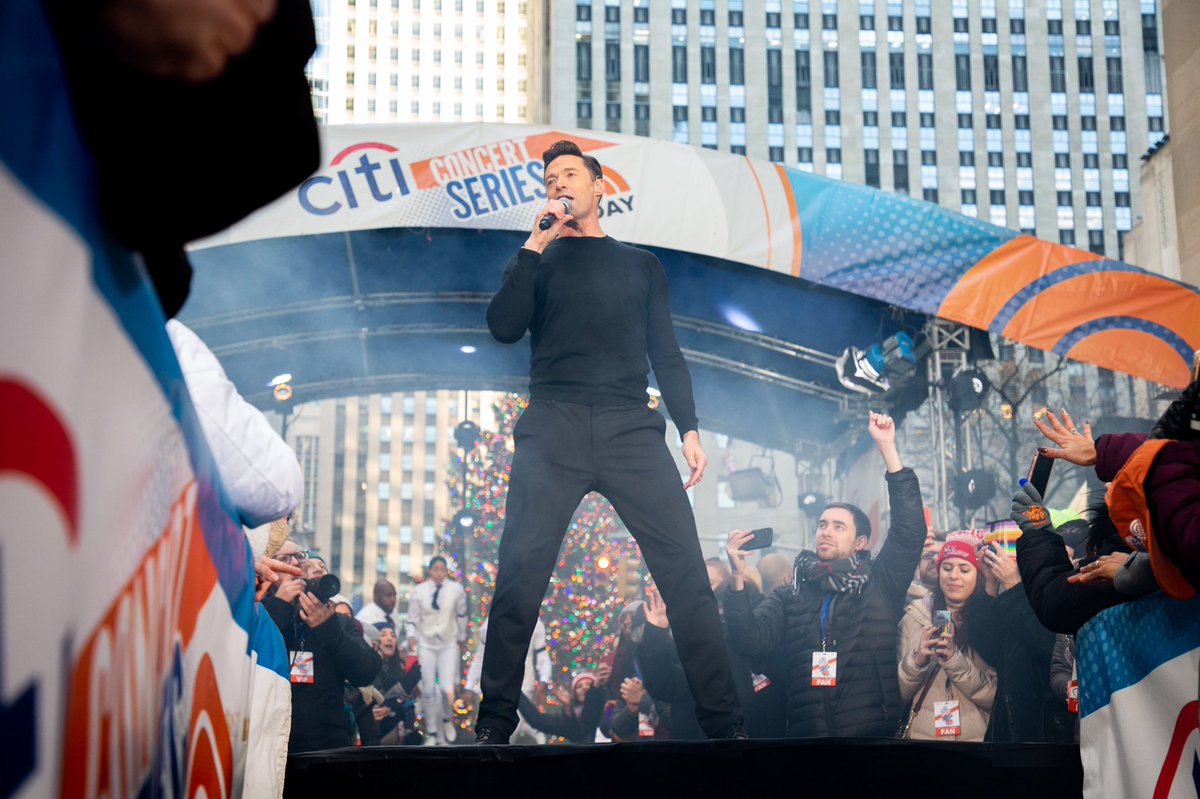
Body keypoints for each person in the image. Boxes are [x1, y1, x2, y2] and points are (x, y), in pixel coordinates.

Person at [475, 140, 744, 743]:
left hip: (629, 425)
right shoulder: (535, 259)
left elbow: (666, 353)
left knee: (684, 575)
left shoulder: (641, 265)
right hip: (554, 423)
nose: (558, 185)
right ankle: (492, 724)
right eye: (549, 180)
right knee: (520, 573)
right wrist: (534, 243)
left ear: (600, 187)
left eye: (570, 174)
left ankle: (725, 725)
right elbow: (503, 326)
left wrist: (690, 428)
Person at [722, 412, 926, 738]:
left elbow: (909, 531)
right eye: (822, 525)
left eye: (838, 526)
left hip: (871, 739)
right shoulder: (793, 593)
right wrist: (737, 579)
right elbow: (748, 639)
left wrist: (888, 450)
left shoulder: (879, 584)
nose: (825, 532)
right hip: (808, 740)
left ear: (861, 542)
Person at [263, 546, 381, 753]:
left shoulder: (338, 622)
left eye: (300, 556)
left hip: (325, 751)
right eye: (283, 558)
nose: (294, 563)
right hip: (269, 748)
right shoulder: (259, 613)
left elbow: (367, 672)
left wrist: (328, 628)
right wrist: (279, 606)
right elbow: (246, 660)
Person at [897, 534, 996, 741]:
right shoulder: (913, 617)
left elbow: (996, 697)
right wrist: (916, 662)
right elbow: (897, 695)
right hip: (923, 743)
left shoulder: (991, 620)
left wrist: (955, 661)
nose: (954, 576)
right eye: (947, 568)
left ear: (978, 575)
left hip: (977, 745)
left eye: (964, 569)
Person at [964, 538, 1059, 742]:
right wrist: (991, 584)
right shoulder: (1019, 598)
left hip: (1046, 736)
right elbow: (992, 649)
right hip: (1007, 734)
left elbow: (1046, 645)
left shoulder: (1062, 596)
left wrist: (1013, 586)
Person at [407, 556, 468, 745]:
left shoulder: (456, 589)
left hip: (447, 642)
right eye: (436, 569)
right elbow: (412, 617)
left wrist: (462, 638)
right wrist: (410, 635)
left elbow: (461, 614)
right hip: (426, 642)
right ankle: (432, 731)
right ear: (430, 571)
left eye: (442, 569)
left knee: (446, 687)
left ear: (446, 571)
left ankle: (446, 718)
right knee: (428, 688)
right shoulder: (419, 591)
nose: (439, 573)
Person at [517, 670, 608, 744]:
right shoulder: (569, 718)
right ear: (575, 694)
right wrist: (515, 690)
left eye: (590, 684)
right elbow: (537, 720)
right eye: (579, 686)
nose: (585, 687)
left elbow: (592, 714)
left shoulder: (607, 708)